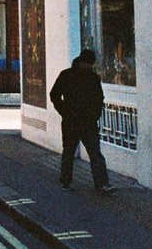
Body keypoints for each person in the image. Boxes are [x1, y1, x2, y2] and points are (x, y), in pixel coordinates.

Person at [49, 48, 115, 194]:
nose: (89, 67)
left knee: (95, 154)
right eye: (88, 64)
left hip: (88, 122)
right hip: (71, 121)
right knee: (69, 153)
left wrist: (95, 115)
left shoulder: (93, 78)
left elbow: (99, 98)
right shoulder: (66, 75)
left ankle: (102, 184)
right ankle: (66, 181)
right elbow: (54, 94)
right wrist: (65, 112)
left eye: (91, 64)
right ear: (82, 62)